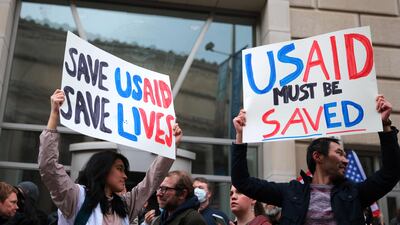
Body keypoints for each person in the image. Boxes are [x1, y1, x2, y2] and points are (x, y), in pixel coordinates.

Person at [231, 95, 400, 225]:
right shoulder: (291, 192)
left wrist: (385, 125)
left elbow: (391, 173)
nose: (346, 160)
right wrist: (240, 136)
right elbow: (242, 181)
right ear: (318, 157)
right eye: (340, 153)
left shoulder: (354, 193)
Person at [38, 89, 183, 225]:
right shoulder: (75, 197)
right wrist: (54, 114)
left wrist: (171, 146)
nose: (125, 176)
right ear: (103, 170)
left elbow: (153, 179)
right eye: (119, 169)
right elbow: (48, 167)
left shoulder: (125, 205)